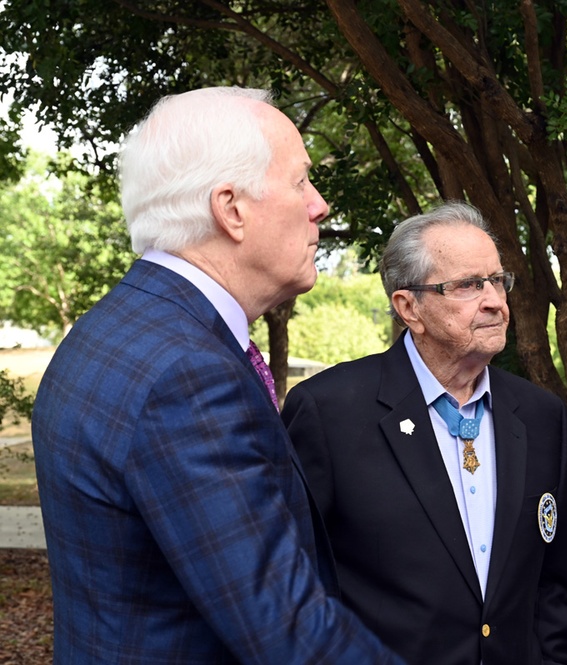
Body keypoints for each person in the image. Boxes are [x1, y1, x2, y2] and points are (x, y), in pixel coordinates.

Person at [31, 87, 402, 664]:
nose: (320, 205)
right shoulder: (188, 377)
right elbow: (294, 637)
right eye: (302, 181)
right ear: (231, 209)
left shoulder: (112, 329)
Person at [283, 201, 567, 665]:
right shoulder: (328, 412)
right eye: (467, 285)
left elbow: (556, 588)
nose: (494, 301)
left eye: (497, 281)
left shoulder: (542, 416)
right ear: (409, 308)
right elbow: (293, 587)